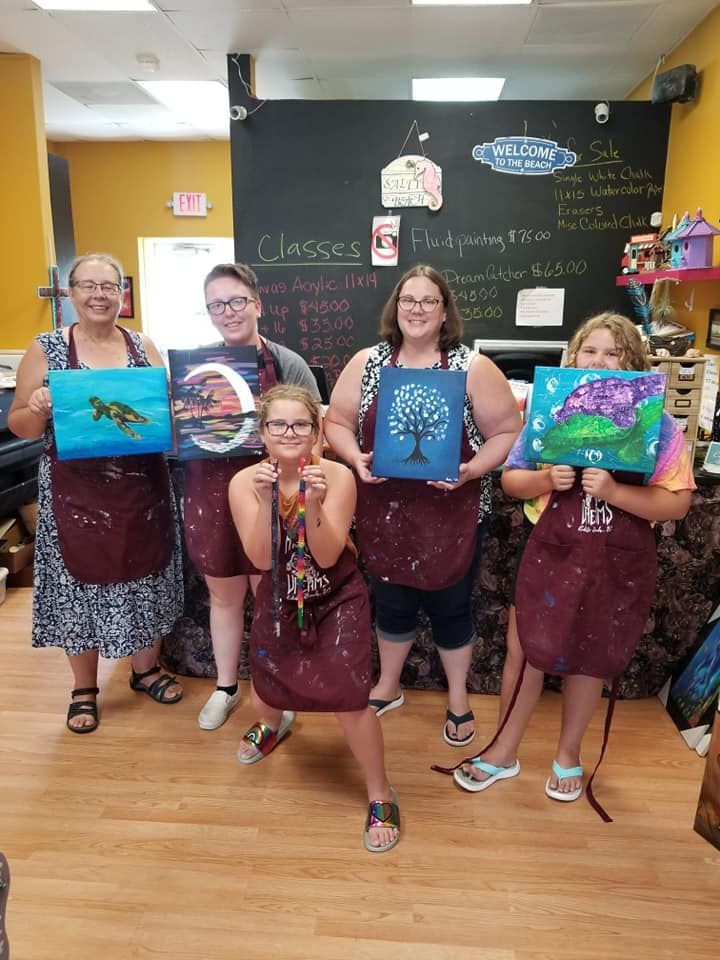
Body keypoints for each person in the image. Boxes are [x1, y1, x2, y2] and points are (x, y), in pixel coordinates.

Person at [454, 312, 695, 800]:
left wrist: (613, 492)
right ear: (574, 357)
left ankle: (568, 754)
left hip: (618, 562)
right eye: (591, 351)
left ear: (634, 362)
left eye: (614, 353)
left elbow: (678, 501)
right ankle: (503, 750)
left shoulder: (658, 423)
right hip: (554, 556)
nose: (601, 360)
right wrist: (547, 479)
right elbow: (511, 479)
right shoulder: (552, 410)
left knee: (590, 657)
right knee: (526, 651)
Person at [324, 264, 522, 746]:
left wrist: (471, 470)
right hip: (384, 510)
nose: (416, 309)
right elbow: (336, 422)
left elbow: (507, 432)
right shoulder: (368, 362)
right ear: (396, 307)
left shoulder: (471, 367)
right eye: (408, 300)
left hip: (451, 512)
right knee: (390, 601)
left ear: (444, 310)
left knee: (451, 606)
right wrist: (354, 457)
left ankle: (458, 697)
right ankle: (388, 686)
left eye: (428, 300)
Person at [8, 253, 184, 734]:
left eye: (109, 286)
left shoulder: (141, 344)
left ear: (122, 295)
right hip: (75, 494)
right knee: (76, 587)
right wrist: (39, 407)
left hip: (141, 486)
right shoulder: (47, 347)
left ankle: (144, 669)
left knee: (146, 575)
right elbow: (19, 424)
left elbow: (161, 411)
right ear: (70, 293)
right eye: (88, 285)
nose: (100, 295)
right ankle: (83, 688)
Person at [228, 384, 400, 852]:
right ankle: (272, 725)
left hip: (336, 597)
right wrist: (266, 502)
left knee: (349, 700)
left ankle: (380, 792)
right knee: (266, 686)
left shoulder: (337, 477)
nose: (288, 433)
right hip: (280, 596)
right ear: (262, 432)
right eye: (277, 424)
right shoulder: (245, 482)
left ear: (316, 431)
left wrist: (313, 503)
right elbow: (262, 560)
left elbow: (325, 556)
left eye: (299, 424)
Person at [184, 263, 321, 731]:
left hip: (275, 494)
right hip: (210, 493)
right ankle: (226, 687)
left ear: (257, 305)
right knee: (223, 597)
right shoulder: (194, 368)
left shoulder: (288, 364)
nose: (228, 311)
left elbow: (313, 434)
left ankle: (275, 690)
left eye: (237, 300)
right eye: (217, 304)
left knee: (272, 596)